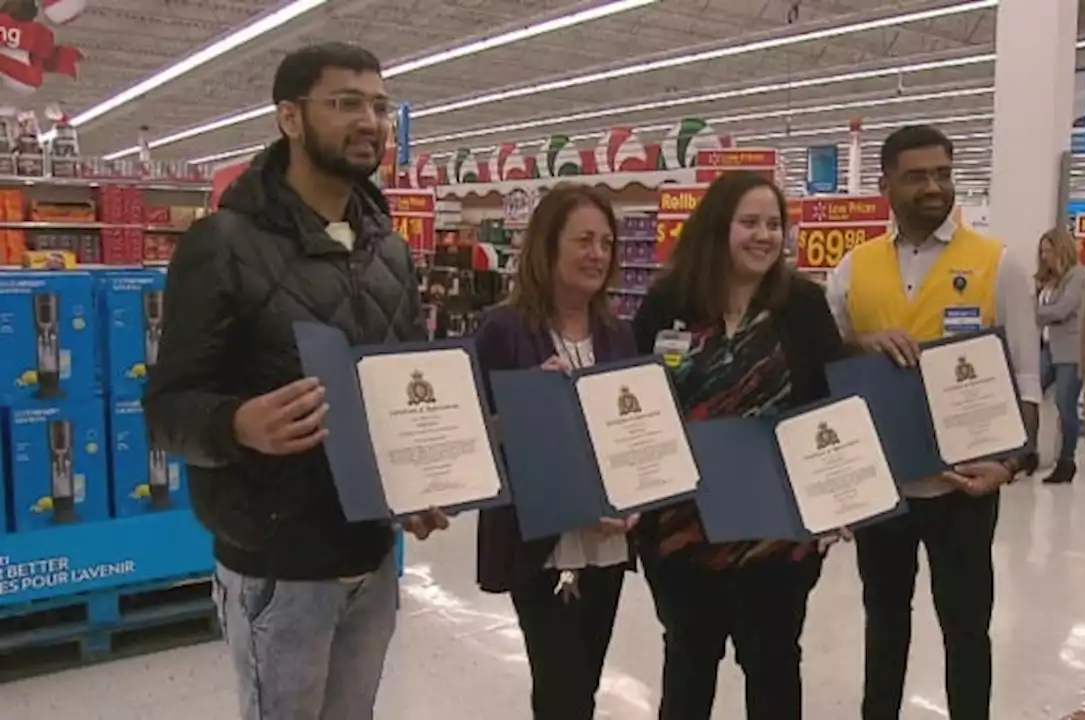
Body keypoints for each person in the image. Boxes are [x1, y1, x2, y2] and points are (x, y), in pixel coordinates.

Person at [143, 42, 448, 720]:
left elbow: (401, 394)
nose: (369, 121)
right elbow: (166, 410)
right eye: (344, 103)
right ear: (289, 117)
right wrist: (236, 423)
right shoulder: (221, 243)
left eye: (377, 105)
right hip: (277, 566)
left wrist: (419, 481)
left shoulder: (388, 250)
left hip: (372, 557)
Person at [824, 125, 1040, 720]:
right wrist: (860, 340)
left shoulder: (998, 264)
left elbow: (1026, 375)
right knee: (883, 622)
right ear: (885, 183)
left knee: (967, 629)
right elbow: (826, 360)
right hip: (884, 485)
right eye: (917, 175)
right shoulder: (851, 268)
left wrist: (1010, 462)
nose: (934, 187)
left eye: (942, 173)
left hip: (965, 484)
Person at [632, 171, 845, 720]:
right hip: (683, 532)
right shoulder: (667, 301)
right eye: (749, 222)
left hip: (776, 537)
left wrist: (839, 497)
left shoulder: (802, 305)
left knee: (774, 671)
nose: (764, 235)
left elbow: (830, 405)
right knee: (687, 670)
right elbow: (634, 402)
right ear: (717, 227)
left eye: (774, 224)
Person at [473, 183, 638, 720]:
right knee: (559, 687)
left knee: (585, 683)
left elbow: (632, 432)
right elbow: (475, 436)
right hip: (540, 540)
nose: (597, 254)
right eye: (583, 240)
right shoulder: (503, 330)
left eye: (607, 243)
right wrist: (527, 410)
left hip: (607, 540)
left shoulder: (617, 335)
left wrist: (636, 498)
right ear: (548, 245)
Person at [1035, 227, 1085, 485]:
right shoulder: (1048, 279)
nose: (1044, 256)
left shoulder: (1077, 276)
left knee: (1065, 406)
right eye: (1042, 251)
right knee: (1030, 395)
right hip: (1048, 348)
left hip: (1071, 351)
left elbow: (1063, 310)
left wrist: (1033, 312)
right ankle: (1027, 455)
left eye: (1048, 250)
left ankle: (1067, 461)